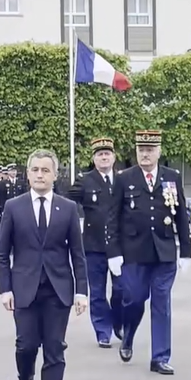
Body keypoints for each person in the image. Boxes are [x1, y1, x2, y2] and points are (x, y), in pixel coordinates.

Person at [0, 149, 88, 380]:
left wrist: (81, 292)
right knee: (26, 346)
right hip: (24, 290)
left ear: (55, 175)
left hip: (58, 291)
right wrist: (5, 289)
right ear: (28, 174)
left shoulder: (68, 208)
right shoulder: (14, 206)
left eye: (45, 170)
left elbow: (78, 254)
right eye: (35, 169)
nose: (39, 175)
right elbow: (2, 253)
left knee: (55, 350)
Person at [106, 130, 191, 375]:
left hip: (164, 252)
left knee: (161, 302)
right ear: (136, 151)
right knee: (134, 299)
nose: (145, 154)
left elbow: (181, 216)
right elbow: (112, 218)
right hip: (134, 253)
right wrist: (113, 252)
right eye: (141, 150)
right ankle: (129, 336)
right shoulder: (124, 178)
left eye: (150, 150)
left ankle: (160, 357)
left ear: (158, 151)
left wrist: (185, 251)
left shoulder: (171, 177)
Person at [67, 138, 124, 348]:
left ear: (113, 157)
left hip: (119, 247)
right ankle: (102, 331)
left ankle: (119, 323)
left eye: (107, 154)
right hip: (93, 246)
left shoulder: (122, 180)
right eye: (100, 154)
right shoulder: (85, 180)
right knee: (97, 292)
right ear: (94, 158)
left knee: (122, 290)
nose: (104, 157)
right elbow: (67, 201)